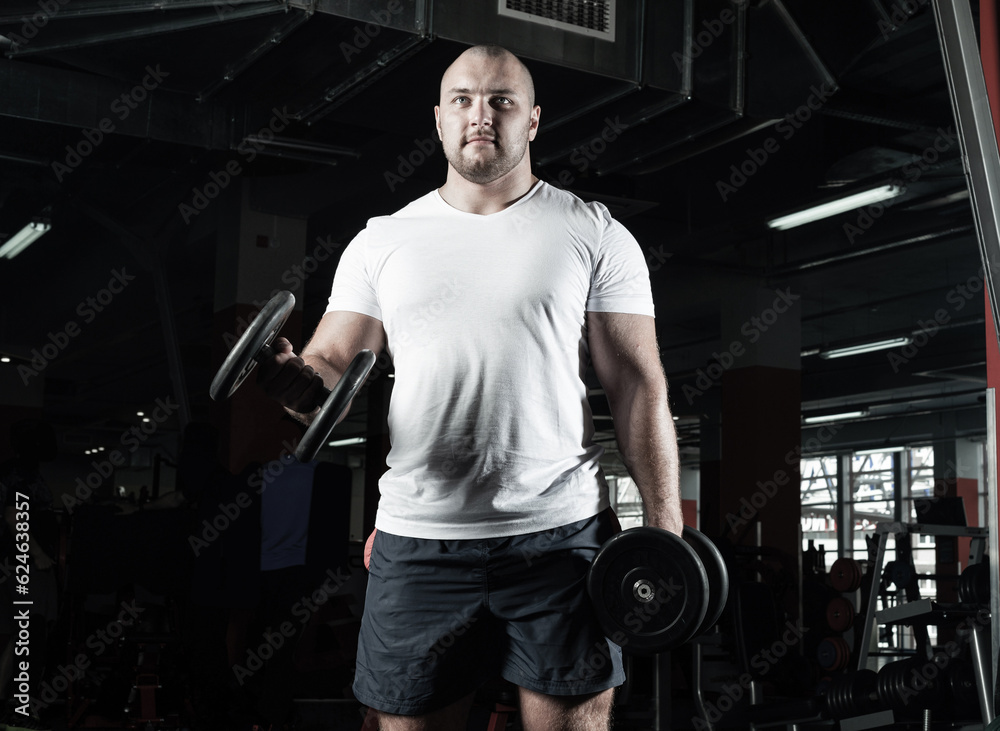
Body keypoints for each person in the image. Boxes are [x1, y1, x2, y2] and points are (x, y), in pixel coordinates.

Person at [258, 44, 681, 731]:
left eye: (500, 101)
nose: (479, 115)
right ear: (438, 119)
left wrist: (666, 527)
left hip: (560, 538)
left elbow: (637, 385)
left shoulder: (593, 231)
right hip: (419, 541)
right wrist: (295, 381)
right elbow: (330, 361)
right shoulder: (383, 240)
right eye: (462, 100)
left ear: (534, 120)